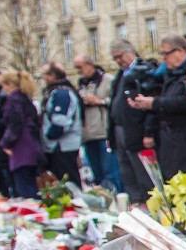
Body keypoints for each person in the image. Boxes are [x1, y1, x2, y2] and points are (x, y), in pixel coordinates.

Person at [128, 35, 186, 197]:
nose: (163, 58)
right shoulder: (170, 74)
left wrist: (153, 103)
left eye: (166, 53)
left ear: (180, 51)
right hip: (171, 145)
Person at [108, 40, 154, 204]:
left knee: (142, 172)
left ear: (129, 52)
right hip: (120, 128)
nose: (118, 61)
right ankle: (135, 201)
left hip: (136, 129)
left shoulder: (143, 70)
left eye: (119, 56)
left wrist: (148, 131)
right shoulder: (120, 75)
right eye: (115, 58)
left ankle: (149, 204)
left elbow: (151, 104)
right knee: (126, 170)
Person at [74, 54, 120, 191]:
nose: (78, 71)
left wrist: (100, 102)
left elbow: (118, 101)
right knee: (97, 174)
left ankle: (117, 198)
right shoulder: (81, 84)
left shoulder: (107, 80)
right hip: (88, 135)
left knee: (110, 172)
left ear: (89, 64)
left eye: (80, 67)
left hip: (104, 133)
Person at [0, 71, 43, 199]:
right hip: (31, 145)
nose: (3, 89)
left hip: (21, 147)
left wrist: (5, 143)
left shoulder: (13, 100)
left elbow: (14, 124)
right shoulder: (25, 99)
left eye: (4, 85)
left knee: (24, 185)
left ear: (10, 84)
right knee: (30, 182)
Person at [39, 63, 83, 186]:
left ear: (52, 75)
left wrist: (49, 136)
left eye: (44, 74)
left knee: (68, 183)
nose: (43, 78)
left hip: (62, 146)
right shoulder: (55, 92)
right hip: (58, 146)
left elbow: (61, 121)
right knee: (60, 183)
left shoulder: (62, 93)